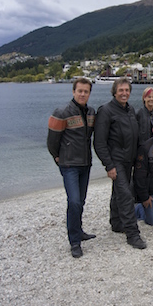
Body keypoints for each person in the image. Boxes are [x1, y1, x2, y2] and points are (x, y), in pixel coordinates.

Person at [94, 78, 146, 249]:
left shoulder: (130, 109)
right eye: (121, 90)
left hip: (129, 159)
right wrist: (108, 165)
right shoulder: (106, 111)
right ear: (114, 92)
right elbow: (99, 142)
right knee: (125, 194)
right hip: (116, 160)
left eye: (127, 90)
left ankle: (116, 222)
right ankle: (133, 234)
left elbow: (135, 134)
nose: (124, 93)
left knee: (118, 192)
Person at [47, 77, 96, 258]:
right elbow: (52, 141)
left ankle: (79, 230)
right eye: (80, 91)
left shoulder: (91, 112)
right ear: (74, 92)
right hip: (69, 165)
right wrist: (58, 157)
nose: (83, 94)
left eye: (86, 91)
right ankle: (74, 241)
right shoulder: (61, 112)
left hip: (85, 163)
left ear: (89, 93)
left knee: (80, 201)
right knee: (74, 201)